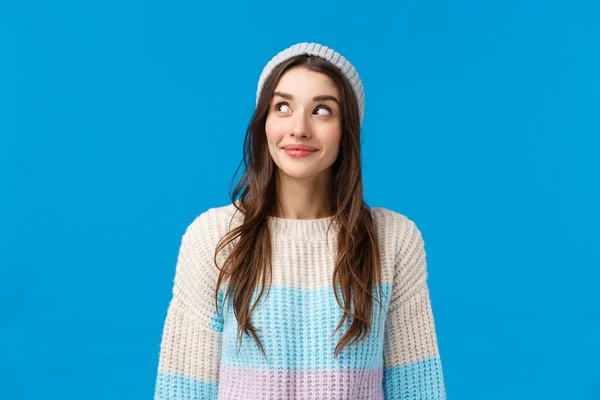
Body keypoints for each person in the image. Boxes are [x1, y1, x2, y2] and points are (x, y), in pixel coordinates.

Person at [153, 42, 447, 399]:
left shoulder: (394, 238)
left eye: (322, 110)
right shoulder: (214, 236)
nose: (299, 128)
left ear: (346, 129)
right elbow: (183, 390)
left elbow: (417, 389)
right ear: (264, 121)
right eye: (283, 107)